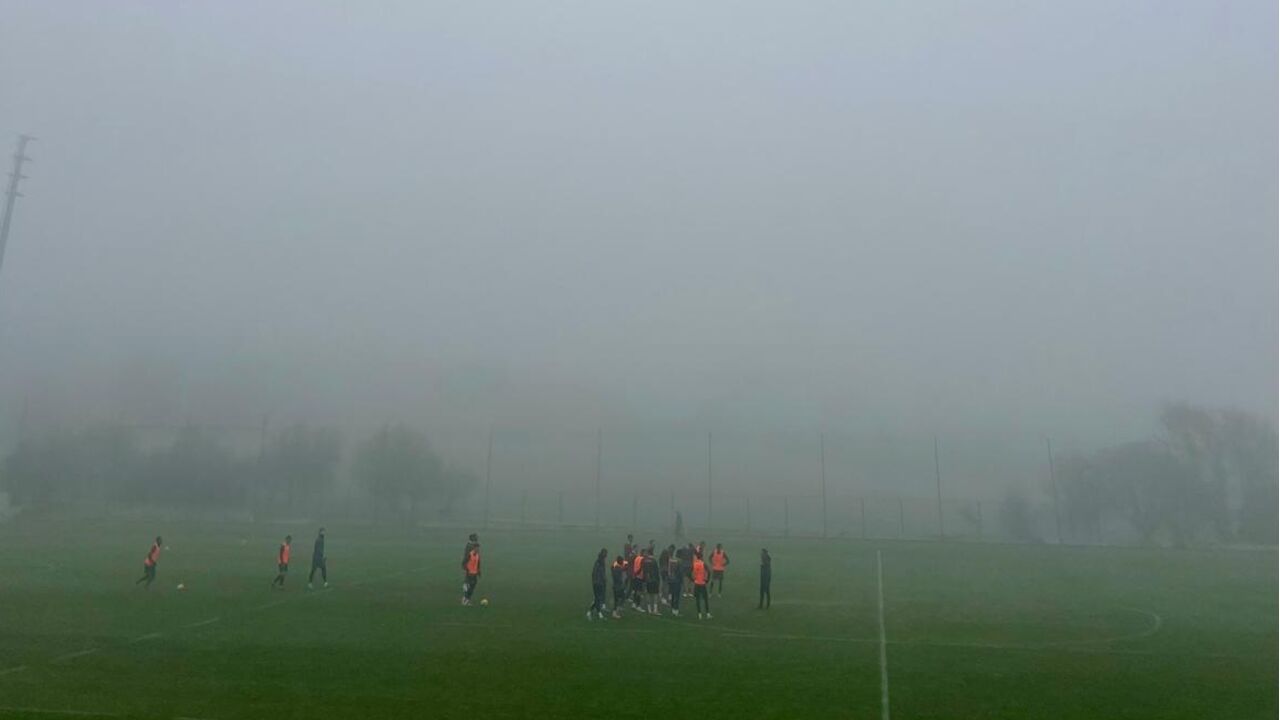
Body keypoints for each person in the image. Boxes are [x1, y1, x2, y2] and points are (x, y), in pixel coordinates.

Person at [587, 548, 608, 620]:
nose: (606, 556)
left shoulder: (601, 562)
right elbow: (595, 573)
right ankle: (598, 613)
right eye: (605, 554)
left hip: (600, 582)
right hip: (598, 583)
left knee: (598, 598)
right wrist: (597, 581)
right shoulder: (599, 562)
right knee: (598, 598)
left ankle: (591, 612)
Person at [692, 551, 712, 620]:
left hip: (696, 583)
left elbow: (690, 572)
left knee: (697, 599)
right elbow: (709, 571)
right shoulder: (703, 564)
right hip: (702, 583)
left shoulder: (694, 563)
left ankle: (699, 614)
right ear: (702, 557)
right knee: (705, 599)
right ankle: (707, 614)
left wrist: (693, 579)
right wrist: (707, 580)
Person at [462, 541, 481, 606]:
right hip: (469, 573)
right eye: (477, 548)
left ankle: (467, 600)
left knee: (472, 587)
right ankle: (465, 599)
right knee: (468, 587)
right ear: (474, 548)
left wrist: (479, 571)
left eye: (478, 548)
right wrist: (466, 569)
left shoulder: (478, 555)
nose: (478, 549)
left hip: (474, 574)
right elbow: (464, 562)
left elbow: (478, 564)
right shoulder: (470, 554)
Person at [642, 547, 660, 614]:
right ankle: (655, 610)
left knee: (648, 594)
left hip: (647, 580)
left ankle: (649, 609)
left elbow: (644, 571)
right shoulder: (654, 561)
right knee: (655, 594)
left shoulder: (644, 561)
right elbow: (656, 571)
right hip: (654, 579)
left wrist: (644, 579)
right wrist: (658, 579)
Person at [666, 548, 683, 617]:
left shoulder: (671, 559)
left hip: (671, 579)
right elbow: (680, 571)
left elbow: (669, 569)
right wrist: (681, 580)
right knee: (677, 596)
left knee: (673, 595)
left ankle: (673, 609)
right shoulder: (680, 561)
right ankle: (676, 610)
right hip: (677, 580)